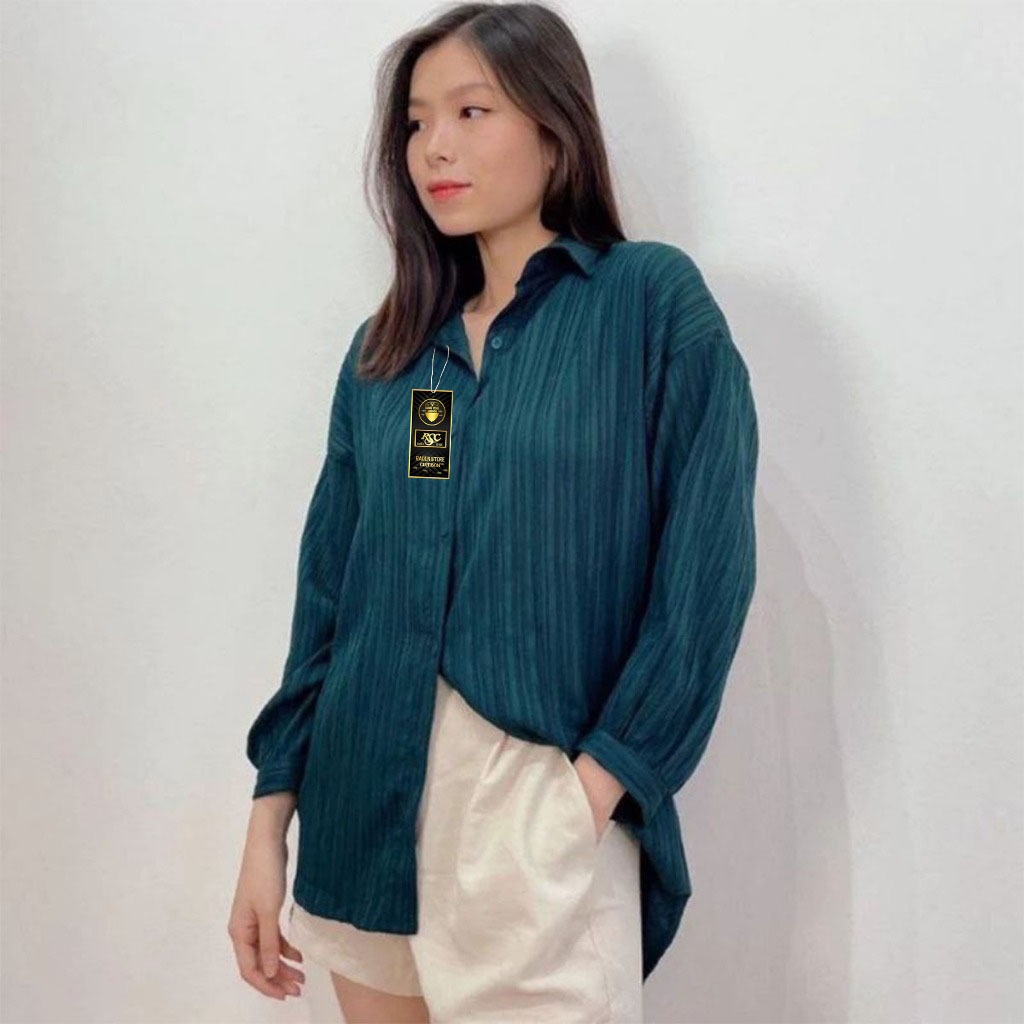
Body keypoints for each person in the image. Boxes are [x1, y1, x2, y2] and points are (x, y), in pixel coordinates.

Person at [227, 3, 759, 1022]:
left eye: (471, 111)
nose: (435, 146)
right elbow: (328, 596)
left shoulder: (648, 305)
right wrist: (267, 822)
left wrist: (591, 791)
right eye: (416, 122)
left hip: (532, 805)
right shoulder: (389, 351)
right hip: (360, 807)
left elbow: (705, 574)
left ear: (555, 128)